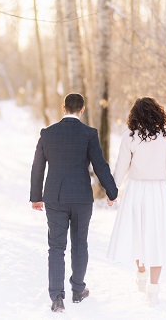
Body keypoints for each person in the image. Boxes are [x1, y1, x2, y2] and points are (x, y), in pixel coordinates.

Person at [30, 93, 118, 313]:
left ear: (63, 108)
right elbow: (100, 165)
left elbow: (37, 166)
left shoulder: (47, 134)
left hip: (55, 198)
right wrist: (112, 190)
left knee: (56, 247)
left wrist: (36, 196)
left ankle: (57, 297)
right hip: (81, 198)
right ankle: (78, 289)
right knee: (80, 243)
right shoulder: (89, 134)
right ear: (83, 109)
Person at [107, 97, 166, 306]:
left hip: (136, 189)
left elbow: (121, 166)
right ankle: (153, 289)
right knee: (156, 239)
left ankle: (141, 273)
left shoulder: (130, 136)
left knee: (137, 233)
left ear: (135, 114)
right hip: (159, 192)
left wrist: (113, 191)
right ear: (157, 112)